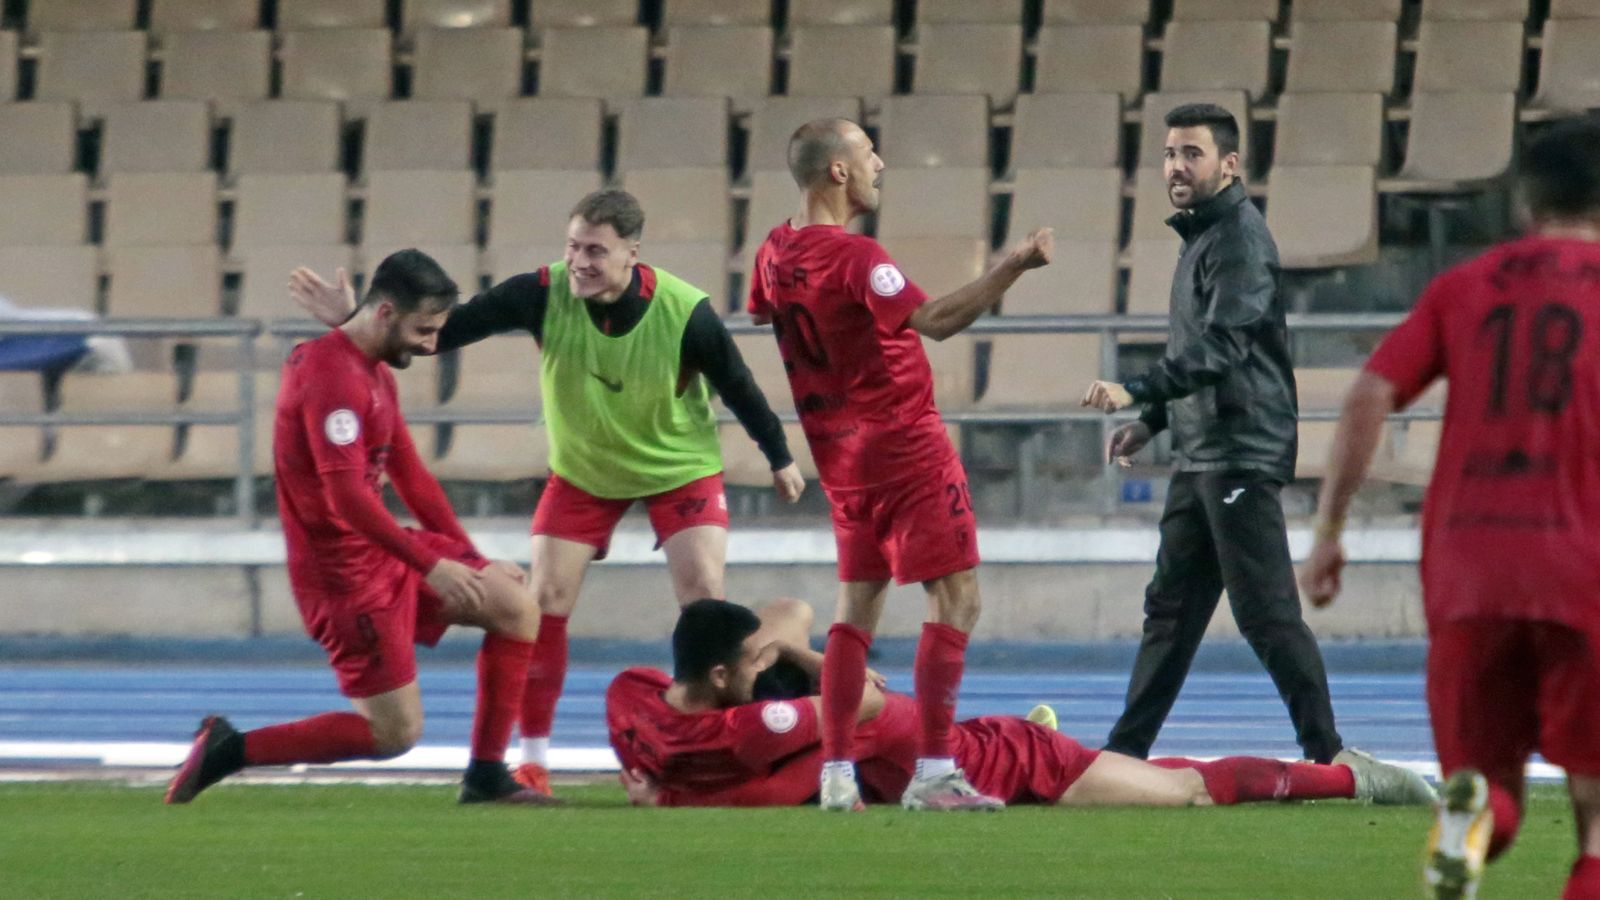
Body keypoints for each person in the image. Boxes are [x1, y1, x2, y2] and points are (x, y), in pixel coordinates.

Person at [292, 190, 803, 797]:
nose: (579, 261)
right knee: (544, 600)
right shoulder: (541, 291)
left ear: (632, 253)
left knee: (704, 602)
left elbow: (738, 384)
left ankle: (703, 744)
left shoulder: (684, 311)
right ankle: (533, 760)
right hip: (584, 472)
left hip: (679, 468)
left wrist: (780, 457)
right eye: (573, 246)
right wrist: (359, 321)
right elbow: (436, 331)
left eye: (595, 250)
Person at [1301, 119, 1600, 900]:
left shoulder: (1465, 287)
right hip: (1584, 567)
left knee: (1487, 782)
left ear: (1526, 205)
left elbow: (1369, 393)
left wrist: (1330, 532)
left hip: (1467, 564)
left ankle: (1478, 816)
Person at [746, 118, 1053, 811]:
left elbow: (767, 312)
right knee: (957, 598)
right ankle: (936, 773)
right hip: (905, 447)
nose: (881, 163)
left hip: (841, 457)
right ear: (838, 173)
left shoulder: (773, 248)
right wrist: (1014, 265)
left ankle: (835, 775)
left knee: (857, 606)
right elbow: (937, 321)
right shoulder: (856, 259)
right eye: (868, 153)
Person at [167, 250, 550, 805]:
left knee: (515, 607)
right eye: (422, 330)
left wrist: (470, 558)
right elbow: (346, 498)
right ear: (387, 313)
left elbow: (412, 476)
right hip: (344, 578)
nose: (429, 345)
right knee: (395, 735)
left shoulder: (368, 366)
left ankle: (487, 778)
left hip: (385, 552)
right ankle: (232, 748)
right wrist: (433, 566)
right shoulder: (332, 378)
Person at [1078, 103, 1345, 766]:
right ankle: (1123, 752)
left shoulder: (1240, 240)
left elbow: (1224, 346)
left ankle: (1329, 756)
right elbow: (1206, 351)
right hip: (1204, 454)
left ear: (1228, 165)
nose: (1175, 166)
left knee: (1265, 614)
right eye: (1170, 153)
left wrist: (1137, 389)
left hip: (1239, 455)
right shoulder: (1203, 238)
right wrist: (1154, 422)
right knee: (1169, 614)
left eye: (1191, 154)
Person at [606, 599, 1435, 811]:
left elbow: (771, 784)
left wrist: (670, 790)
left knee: (1185, 791)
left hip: (1016, 763)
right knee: (1159, 777)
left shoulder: (821, 727)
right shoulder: (644, 691)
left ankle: (1353, 781)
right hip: (985, 755)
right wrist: (785, 649)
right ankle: (1336, 774)